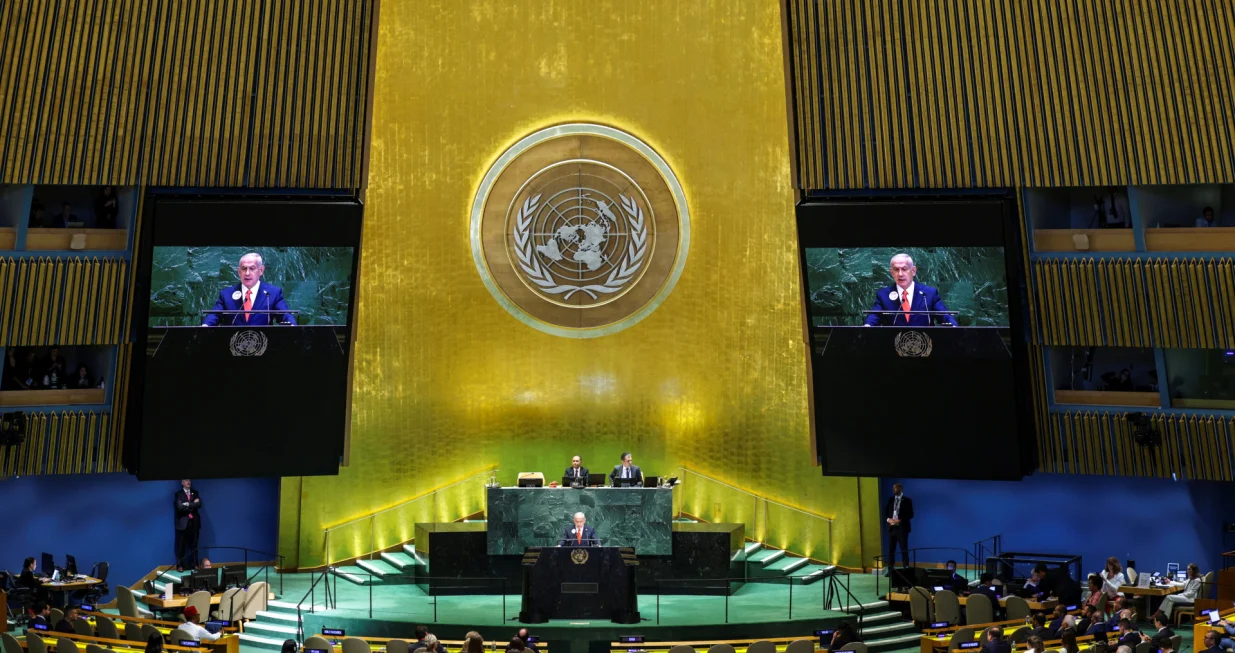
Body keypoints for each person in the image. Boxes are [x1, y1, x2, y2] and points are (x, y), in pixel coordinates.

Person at [862, 253, 958, 327]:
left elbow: (944, 315)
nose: (900, 274)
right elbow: (874, 316)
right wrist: (868, 325)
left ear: (913, 271)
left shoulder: (929, 294)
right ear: (891, 273)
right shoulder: (883, 295)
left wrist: (952, 324)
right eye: (896, 270)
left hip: (924, 346)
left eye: (904, 269)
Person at [201, 253, 296, 326]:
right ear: (239, 272)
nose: (247, 273)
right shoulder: (226, 294)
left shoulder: (273, 293)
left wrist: (291, 324)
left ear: (261, 270)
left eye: (252, 268)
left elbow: (285, 314)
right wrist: (205, 326)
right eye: (244, 269)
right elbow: (214, 315)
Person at [174, 479, 203, 571]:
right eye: (186, 480)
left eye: (189, 480)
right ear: (182, 483)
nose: (188, 482)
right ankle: (180, 565)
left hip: (194, 523)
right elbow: (180, 507)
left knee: (194, 545)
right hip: (183, 524)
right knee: (180, 545)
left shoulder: (195, 492)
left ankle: (195, 564)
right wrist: (192, 504)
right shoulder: (178, 494)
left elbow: (199, 504)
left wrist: (187, 504)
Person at [884, 483, 913, 569]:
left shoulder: (907, 500)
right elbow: (885, 513)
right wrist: (888, 520)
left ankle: (905, 567)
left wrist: (900, 520)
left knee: (904, 549)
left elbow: (911, 514)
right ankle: (890, 569)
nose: (894, 490)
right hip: (891, 528)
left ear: (901, 489)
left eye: (896, 488)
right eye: (893, 488)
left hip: (902, 529)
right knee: (891, 550)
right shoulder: (890, 500)